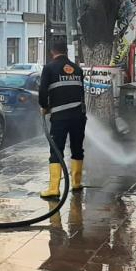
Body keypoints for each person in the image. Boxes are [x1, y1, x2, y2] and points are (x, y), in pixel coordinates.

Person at [39, 41, 87, 198]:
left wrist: (44, 106)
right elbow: (81, 92)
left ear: (52, 51)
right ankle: (76, 183)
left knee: (56, 150)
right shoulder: (78, 69)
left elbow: (42, 91)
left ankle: (54, 188)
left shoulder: (49, 68)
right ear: (66, 51)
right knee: (77, 148)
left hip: (60, 117)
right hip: (79, 116)